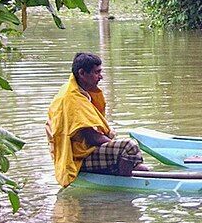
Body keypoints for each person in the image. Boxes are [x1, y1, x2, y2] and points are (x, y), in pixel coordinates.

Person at [46, 53, 146, 187]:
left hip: (85, 150)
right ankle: (122, 185)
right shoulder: (71, 98)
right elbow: (91, 137)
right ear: (82, 73)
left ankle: (121, 173)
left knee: (139, 165)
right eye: (96, 72)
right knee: (129, 146)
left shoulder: (79, 91)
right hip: (77, 157)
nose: (101, 76)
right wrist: (117, 146)